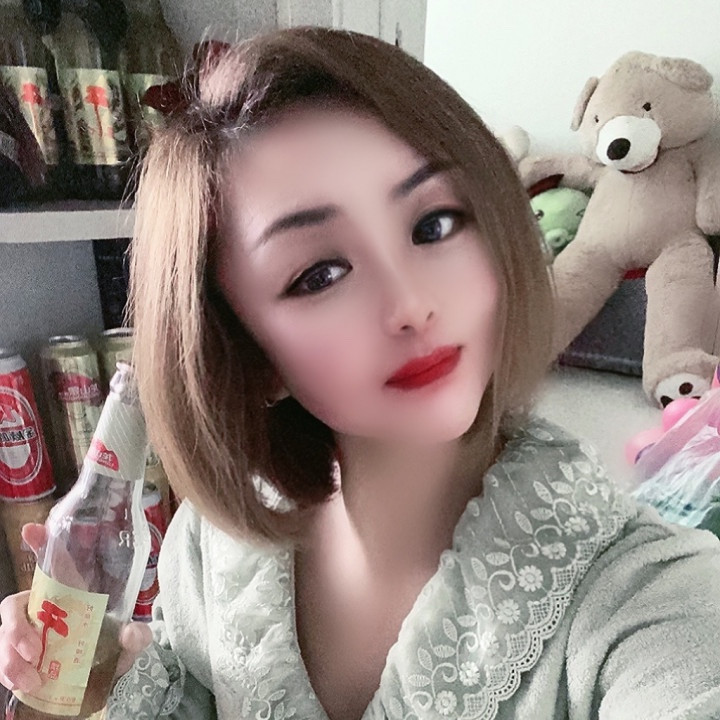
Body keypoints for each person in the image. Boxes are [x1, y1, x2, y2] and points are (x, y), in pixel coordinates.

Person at [1, 26, 720, 720]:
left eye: (434, 225)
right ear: (248, 353)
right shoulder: (214, 549)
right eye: (320, 273)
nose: (411, 303)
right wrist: (104, 682)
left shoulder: (649, 599)